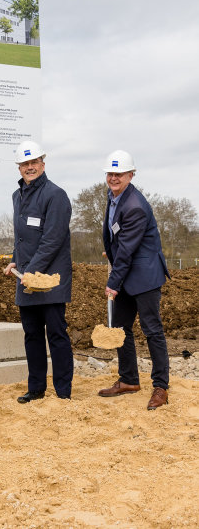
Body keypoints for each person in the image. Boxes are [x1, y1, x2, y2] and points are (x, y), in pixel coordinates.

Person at [97, 150, 170, 410]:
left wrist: (112, 284)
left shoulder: (135, 205)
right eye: (110, 173)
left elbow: (128, 251)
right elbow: (120, 238)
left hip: (144, 275)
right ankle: (129, 380)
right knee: (119, 328)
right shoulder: (114, 196)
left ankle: (161, 387)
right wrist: (113, 252)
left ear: (131, 174)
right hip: (127, 271)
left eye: (119, 174)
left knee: (152, 331)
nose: (113, 178)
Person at [3, 140, 74, 402]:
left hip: (50, 280)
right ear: (19, 167)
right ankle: (36, 389)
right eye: (25, 164)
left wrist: (31, 272)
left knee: (56, 333)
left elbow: (52, 240)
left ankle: (63, 391)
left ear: (43, 164)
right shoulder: (17, 195)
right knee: (32, 334)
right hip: (28, 279)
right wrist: (15, 261)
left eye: (34, 163)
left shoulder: (56, 195)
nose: (29, 167)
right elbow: (23, 238)